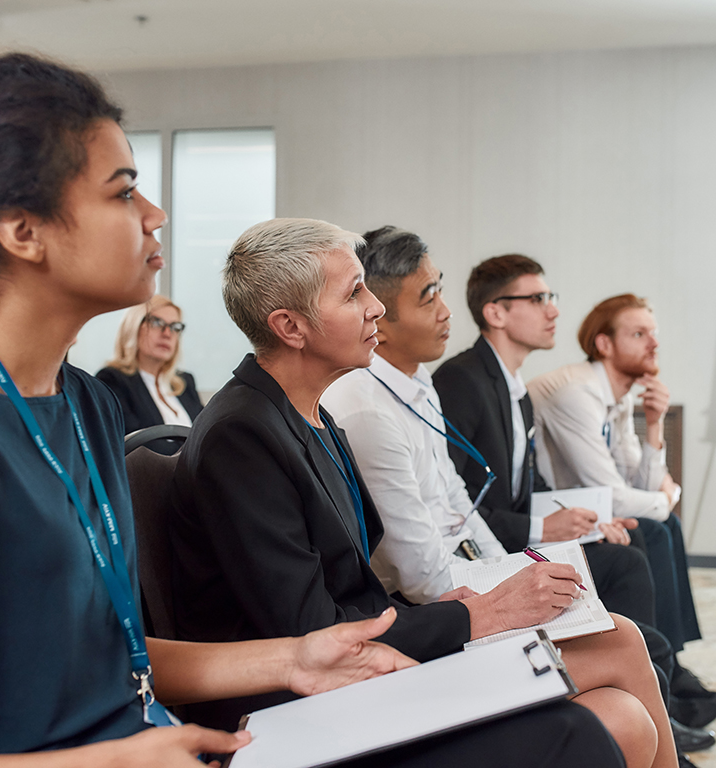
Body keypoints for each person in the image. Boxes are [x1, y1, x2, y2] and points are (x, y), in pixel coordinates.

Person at [0, 53, 435, 766]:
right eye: (123, 193)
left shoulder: (82, 402)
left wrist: (292, 660)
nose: (156, 215)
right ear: (23, 230)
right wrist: (104, 761)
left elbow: (107, 650)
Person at [170, 216, 677, 768]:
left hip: (364, 658)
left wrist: (457, 608)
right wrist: (479, 616)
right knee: (618, 714)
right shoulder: (242, 435)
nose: (376, 307)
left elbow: (350, 591)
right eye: (354, 293)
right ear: (291, 327)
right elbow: (310, 632)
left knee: (621, 645)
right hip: (298, 707)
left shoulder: (309, 415)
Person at [321, 229, 704, 763]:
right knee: (624, 641)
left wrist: (508, 568)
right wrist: (508, 587)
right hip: (432, 606)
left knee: (627, 633)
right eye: (428, 295)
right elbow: (421, 574)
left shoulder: (420, 381)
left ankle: (673, 705)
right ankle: (672, 722)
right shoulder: (374, 404)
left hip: (464, 571)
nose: (446, 310)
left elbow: (459, 500)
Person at [527, 293, 713, 726]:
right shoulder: (577, 392)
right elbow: (614, 492)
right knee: (655, 526)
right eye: (639, 333)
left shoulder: (621, 397)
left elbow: (638, 483)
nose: (654, 344)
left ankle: (673, 663)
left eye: (655, 334)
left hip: (590, 509)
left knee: (665, 528)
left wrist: (654, 427)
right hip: (552, 516)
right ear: (604, 344)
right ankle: (659, 675)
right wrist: (668, 497)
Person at [97, 294, 203, 435]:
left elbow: (206, 437)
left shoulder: (185, 382)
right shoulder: (112, 380)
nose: (167, 334)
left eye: (175, 327)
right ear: (133, 327)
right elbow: (135, 447)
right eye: (156, 322)